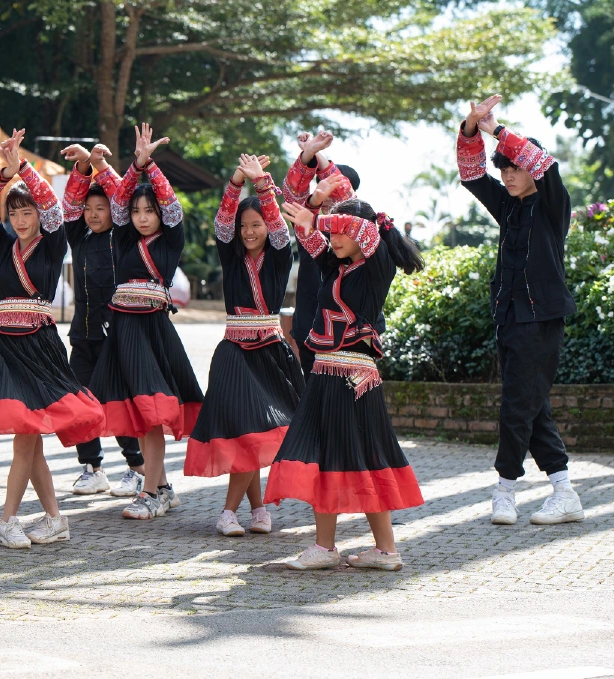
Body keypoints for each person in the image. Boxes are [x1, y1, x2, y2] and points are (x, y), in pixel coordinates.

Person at [0, 129, 105, 549]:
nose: (19, 219)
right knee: (29, 443)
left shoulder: (54, 243)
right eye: (14, 212)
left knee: (27, 440)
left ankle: (8, 520)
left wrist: (25, 169)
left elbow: (52, 204)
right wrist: (5, 174)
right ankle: (54, 519)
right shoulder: (2, 242)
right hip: (4, 347)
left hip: (40, 347)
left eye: (26, 212)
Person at [265, 192, 425, 571]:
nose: (333, 238)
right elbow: (306, 233)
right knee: (329, 455)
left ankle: (370, 550)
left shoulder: (377, 264)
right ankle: (346, 548)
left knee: (362, 456)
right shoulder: (334, 266)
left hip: (352, 378)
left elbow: (360, 229)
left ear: (362, 233)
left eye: (341, 231)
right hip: (326, 374)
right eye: (331, 232)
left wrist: (321, 219)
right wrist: (296, 193)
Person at [457, 95, 583, 526]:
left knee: (516, 406)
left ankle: (504, 491)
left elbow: (546, 165)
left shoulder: (553, 204)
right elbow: (472, 175)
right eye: (504, 169)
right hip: (509, 318)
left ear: (531, 169)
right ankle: (564, 492)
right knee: (533, 406)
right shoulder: (507, 205)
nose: (508, 176)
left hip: (541, 319)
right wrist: (471, 128)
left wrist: (497, 130)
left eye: (515, 168)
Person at [87, 124, 204, 520]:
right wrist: (134, 166)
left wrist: (148, 166)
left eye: (148, 211)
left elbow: (172, 205)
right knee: (138, 414)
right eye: (136, 212)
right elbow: (119, 202)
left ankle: (150, 492)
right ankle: (163, 488)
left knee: (151, 411)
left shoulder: (171, 239)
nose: (140, 217)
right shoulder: (123, 238)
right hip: (123, 330)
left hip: (152, 331)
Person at [184, 153, 304, 536]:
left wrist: (263, 184)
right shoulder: (230, 254)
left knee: (258, 432)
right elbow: (222, 220)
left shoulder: (280, 256)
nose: (249, 231)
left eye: (256, 224)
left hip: (271, 354)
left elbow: (280, 226)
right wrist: (237, 180)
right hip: (234, 354)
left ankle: (258, 509)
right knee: (247, 431)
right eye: (243, 226)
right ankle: (229, 512)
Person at [59, 141, 146, 498]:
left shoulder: (123, 238)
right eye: (89, 209)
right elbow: (68, 207)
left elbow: (124, 198)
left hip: (117, 337)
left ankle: (138, 469)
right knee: (79, 404)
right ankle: (92, 469)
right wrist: (82, 168)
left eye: (101, 208)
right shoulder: (78, 237)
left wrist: (97, 166)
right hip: (82, 337)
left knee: (118, 404)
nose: (93, 215)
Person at [282, 131, 358, 378]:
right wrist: (309, 154)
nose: (326, 195)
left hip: (351, 334)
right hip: (309, 326)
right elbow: (293, 194)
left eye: (332, 188)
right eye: (321, 186)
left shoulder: (361, 228)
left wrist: (318, 156)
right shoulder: (307, 223)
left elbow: (344, 196)